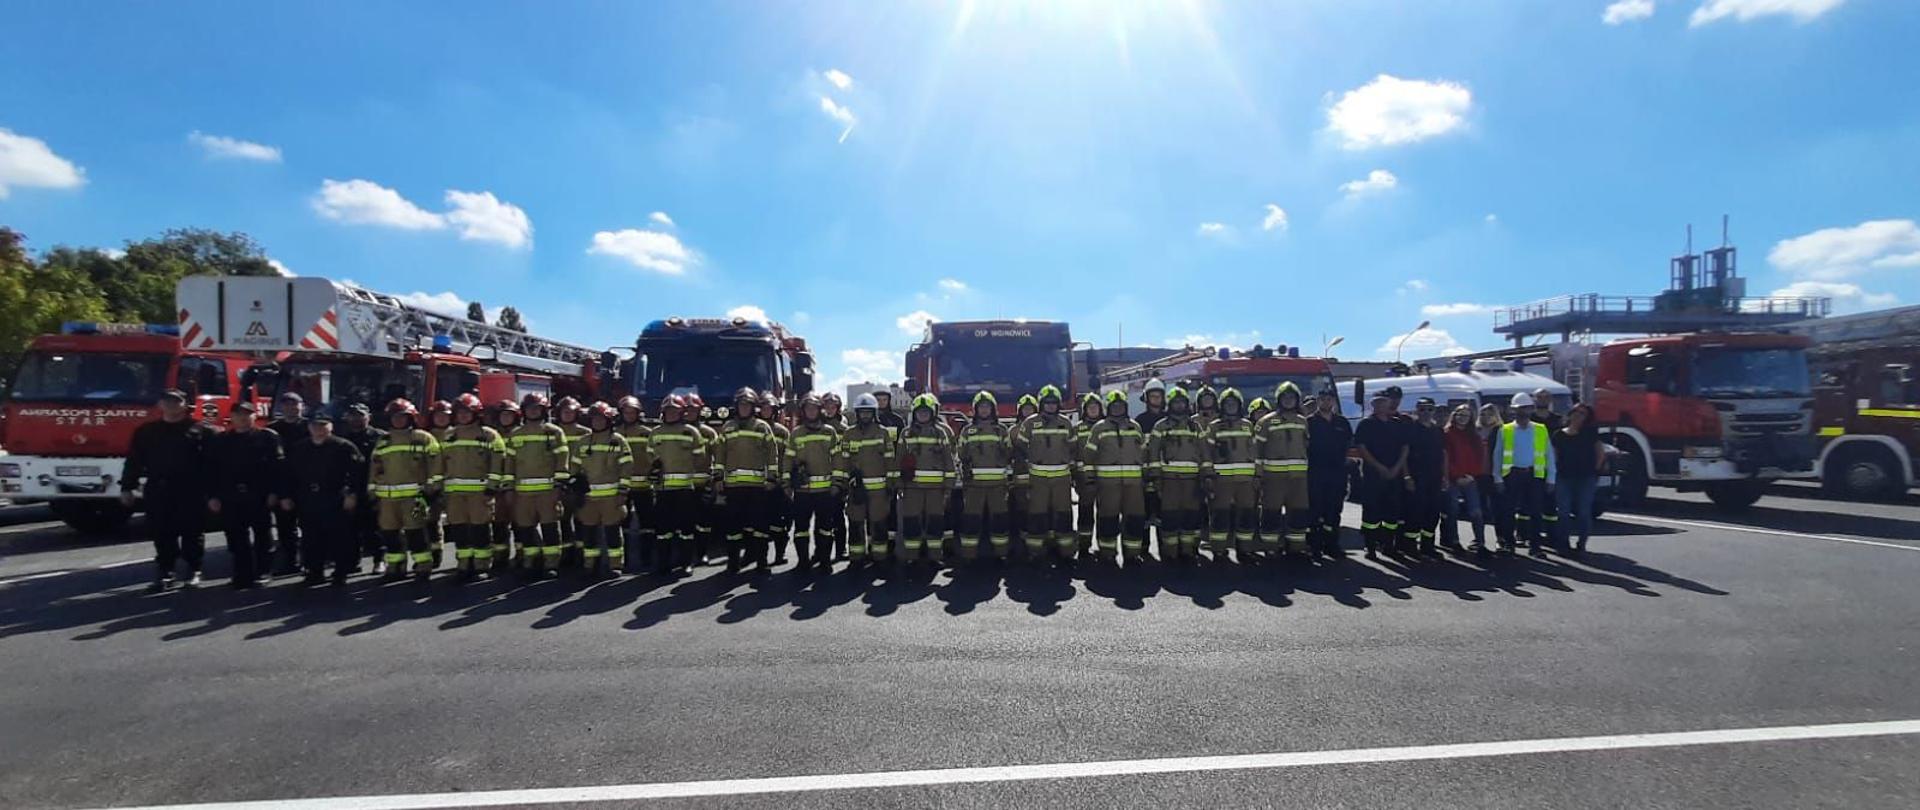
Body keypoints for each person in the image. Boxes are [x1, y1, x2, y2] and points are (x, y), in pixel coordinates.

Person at [121, 389, 212, 592]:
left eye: (176, 401)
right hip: (159, 488)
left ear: (185, 404)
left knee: (192, 531)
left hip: (191, 489)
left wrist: (214, 492)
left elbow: (214, 464)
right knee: (161, 532)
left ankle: (193, 570)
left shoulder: (201, 430)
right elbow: (134, 461)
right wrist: (127, 487)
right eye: (167, 401)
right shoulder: (146, 431)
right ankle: (165, 572)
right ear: (160, 404)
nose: (171, 405)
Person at [281, 409, 367, 587]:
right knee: (311, 537)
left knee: (339, 537)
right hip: (308, 499)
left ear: (331, 426)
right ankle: (314, 571)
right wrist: (286, 496)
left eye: (323, 425)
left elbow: (357, 474)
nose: (318, 429)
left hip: (335, 498)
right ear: (309, 426)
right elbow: (288, 475)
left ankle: (340, 572)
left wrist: (352, 495)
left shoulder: (344, 446)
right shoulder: (300, 448)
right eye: (314, 425)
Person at [206, 401, 282, 589]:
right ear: (231, 417)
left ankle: (263, 572)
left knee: (263, 536)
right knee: (235, 537)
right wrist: (212, 496)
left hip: (259, 494)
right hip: (230, 495)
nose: (243, 417)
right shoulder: (221, 440)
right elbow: (210, 470)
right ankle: (242, 574)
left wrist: (275, 491)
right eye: (238, 414)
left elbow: (278, 468)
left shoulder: (267, 437)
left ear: (254, 416)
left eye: (247, 414)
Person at [370, 399, 441, 581]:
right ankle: (395, 566)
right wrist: (372, 493)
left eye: (403, 417)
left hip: (414, 497)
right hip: (387, 498)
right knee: (390, 533)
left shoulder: (423, 438)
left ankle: (423, 566)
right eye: (395, 417)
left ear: (411, 418)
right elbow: (375, 468)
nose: (399, 421)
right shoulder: (383, 441)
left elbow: (436, 466)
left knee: (415, 533)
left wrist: (431, 491)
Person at [438, 394, 507, 581]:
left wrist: (492, 487)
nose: (463, 416)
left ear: (476, 414)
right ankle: (463, 564)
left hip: (480, 493)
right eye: (460, 413)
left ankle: (481, 566)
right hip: (454, 494)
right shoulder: (449, 435)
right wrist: (439, 488)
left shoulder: (489, 435)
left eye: (467, 413)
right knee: (459, 530)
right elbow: (440, 464)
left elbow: (497, 462)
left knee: (480, 530)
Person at [716, 387, 779, 573]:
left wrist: (771, 478)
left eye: (748, 405)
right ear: (737, 406)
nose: (744, 408)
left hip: (757, 487)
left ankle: (761, 562)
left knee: (760, 526)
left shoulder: (762, 427)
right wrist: (718, 477)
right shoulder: (728, 427)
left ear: (753, 407)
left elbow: (772, 454)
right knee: (733, 528)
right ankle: (733, 562)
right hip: (733, 487)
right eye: (741, 405)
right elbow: (720, 454)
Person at [506, 393, 570, 576]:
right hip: (522, 493)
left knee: (550, 528)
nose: (533, 411)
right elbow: (509, 464)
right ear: (524, 411)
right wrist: (509, 488)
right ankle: (531, 562)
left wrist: (559, 486)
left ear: (543, 410)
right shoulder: (516, 434)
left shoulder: (554, 432)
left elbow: (562, 460)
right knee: (525, 529)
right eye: (530, 408)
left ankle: (551, 564)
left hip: (547, 492)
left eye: (537, 408)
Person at [1013, 385, 1076, 563]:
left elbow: (1073, 448)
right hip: (1038, 478)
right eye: (1047, 403)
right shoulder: (1030, 423)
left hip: (1061, 478)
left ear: (1058, 405)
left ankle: (1065, 551)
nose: (1050, 406)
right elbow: (1021, 449)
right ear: (1041, 404)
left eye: (1053, 403)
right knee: (1037, 514)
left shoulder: (1066, 423)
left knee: (1063, 514)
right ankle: (1035, 551)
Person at [570, 402, 632, 577]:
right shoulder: (582, 442)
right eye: (594, 419)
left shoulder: (618, 441)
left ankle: (615, 566)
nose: (597, 422)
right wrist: (576, 487)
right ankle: (590, 565)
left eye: (601, 419)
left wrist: (623, 491)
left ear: (609, 421)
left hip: (611, 498)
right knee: (589, 533)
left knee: (612, 533)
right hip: (588, 498)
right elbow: (574, 467)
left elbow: (627, 468)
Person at [648, 395, 709, 574]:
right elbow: (649, 454)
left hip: (685, 489)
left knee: (686, 529)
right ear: (663, 412)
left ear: (681, 412)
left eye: (675, 411)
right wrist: (655, 467)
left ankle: (686, 563)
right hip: (662, 489)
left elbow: (700, 456)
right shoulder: (656, 433)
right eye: (668, 411)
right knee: (663, 529)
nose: (671, 414)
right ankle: (663, 564)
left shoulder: (691, 432)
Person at [1086, 390, 1148, 563]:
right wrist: (1090, 479)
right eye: (1114, 406)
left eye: (1121, 406)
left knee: (1134, 519)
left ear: (1125, 407)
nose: (1118, 409)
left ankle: (1132, 554)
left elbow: (1144, 453)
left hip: (1134, 485)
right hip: (1108, 485)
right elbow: (1089, 455)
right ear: (1109, 408)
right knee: (1108, 519)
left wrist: (1147, 477)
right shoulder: (1099, 428)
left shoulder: (1135, 427)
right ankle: (1108, 553)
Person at [1492, 392, 1556, 557]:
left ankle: (1535, 547)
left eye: (1526, 408)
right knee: (1509, 511)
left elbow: (1549, 455)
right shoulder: (1505, 430)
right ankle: (1509, 544)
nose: (1523, 412)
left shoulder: (1541, 429)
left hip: (1534, 475)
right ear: (1514, 410)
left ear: (1531, 410)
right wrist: (1497, 478)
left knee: (1535, 512)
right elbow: (1497, 455)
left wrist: (1551, 478)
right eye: (1520, 409)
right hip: (1512, 474)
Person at [1146, 387, 1206, 563]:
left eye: (1182, 402)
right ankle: (1170, 552)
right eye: (1176, 402)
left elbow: (1204, 454)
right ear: (1170, 405)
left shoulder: (1195, 427)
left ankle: (1188, 551)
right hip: (1169, 481)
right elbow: (1154, 454)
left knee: (1191, 517)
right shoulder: (1161, 426)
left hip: (1192, 481)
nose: (1179, 405)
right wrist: (1156, 478)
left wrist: (1207, 476)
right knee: (1169, 518)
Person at [896, 393, 956, 568]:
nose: (922, 415)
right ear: (914, 413)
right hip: (912, 487)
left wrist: (949, 486)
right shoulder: (906, 433)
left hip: (935, 488)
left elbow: (948, 459)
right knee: (911, 521)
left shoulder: (940, 432)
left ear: (933, 413)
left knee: (935, 522)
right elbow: (898, 459)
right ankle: (912, 556)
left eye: (926, 412)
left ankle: (935, 556)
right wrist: (899, 484)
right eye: (919, 412)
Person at [1254, 382, 1313, 559]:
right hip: (1274, 477)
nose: (1289, 400)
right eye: (1285, 397)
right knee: (1271, 512)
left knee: (1298, 512)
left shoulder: (1303, 421)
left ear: (1297, 400)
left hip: (1298, 478)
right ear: (1279, 400)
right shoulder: (1266, 421)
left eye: (1292, 397)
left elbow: (1306, 446)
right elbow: (1257, 451)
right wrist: (1258, 474)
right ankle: (1271, 547)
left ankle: (1296, 546)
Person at [787, 395, 845, 571]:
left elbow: (837, 460)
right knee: (801, 529)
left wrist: (837, 484)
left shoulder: (829, 432)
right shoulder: (796, 433)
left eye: (814, 408)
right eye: (808, 409)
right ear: (803, 411)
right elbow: (788, 460)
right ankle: (803, 561)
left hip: (825, 491)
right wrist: (786, 483)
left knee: (825, 529)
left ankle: (824, 561)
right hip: (802, 492)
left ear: (819, 411)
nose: (811, 412)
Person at [954, 391, 1012, 563]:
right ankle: (969, 555)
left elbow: (1009, 453)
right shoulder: (967, 431)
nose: (984, 410)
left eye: (987, 407)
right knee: (971, 519)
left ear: (993, 409)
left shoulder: (1001, 430)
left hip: (997, 484)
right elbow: (961, 456)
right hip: (974, 485)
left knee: (999, 519)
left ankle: (1001, 553)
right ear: (975, 410)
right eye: (981, 407)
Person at [841, 393, 896, 566]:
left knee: (879, 524)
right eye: (862, 412)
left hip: (879, 491)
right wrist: (845, 483)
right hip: (856, 489)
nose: (865, 416)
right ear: (857, 414)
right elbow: (843, 461)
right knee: (856, 524)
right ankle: (856, 558)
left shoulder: (883, 433)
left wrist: (891, 485)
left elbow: (890, 461)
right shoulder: (849, 434)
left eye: (868, 412)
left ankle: (879, 557)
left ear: (874, 413)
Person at [1205, 388, 1259, 563]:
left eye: (1234, 403)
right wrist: (1209, 476)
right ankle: (1219, 550)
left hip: (1245, 481)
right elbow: (1207, 454)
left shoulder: (1247, 425)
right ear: (1222, 406)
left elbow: (1255, 452)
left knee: (1246, 515)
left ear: (1239, 405)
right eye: (1227, 403)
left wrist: (1257, 476)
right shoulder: (1214, 427)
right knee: (1220, 516)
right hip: (1222, 480)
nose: (1231, 406)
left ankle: (1245, 550)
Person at [1353, 391, 1408, 558]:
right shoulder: (1366, 424)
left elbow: (1405, 448)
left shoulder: (1397, 424)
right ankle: (1370, 546)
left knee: (1392, 513)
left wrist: (1396, 468)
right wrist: (1380, 467)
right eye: (1377, 402)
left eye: (1384, 402)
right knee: (1371, 513)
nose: (1381, 405)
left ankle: (1388, 545)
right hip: (1373, 476)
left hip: (1394, 475)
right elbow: (1362, 449)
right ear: (1373, 405)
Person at [334, 403, 386, 574]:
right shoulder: (342, 437)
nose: (356, 419)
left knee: (376, 528)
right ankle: (353, 561)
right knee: (350, 528)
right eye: (353, 415)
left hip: (374, 488)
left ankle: (380, 560)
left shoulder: (381, 437)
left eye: (360, 415)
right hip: (351, 489)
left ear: (368, 417)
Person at [1305, 388, 1353, 559]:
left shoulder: (1342, 422)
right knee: (1315, 511)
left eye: (1329, 399)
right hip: (1316, 473)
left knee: (1333, 511)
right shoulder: (1309, 422)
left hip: (1337, 474)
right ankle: (1314, 545)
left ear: (1333, 401)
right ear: (1318, 401)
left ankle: (1332, 544)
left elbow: (1349, 445)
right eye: (1323, 399)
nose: (1326, 402)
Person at [264, 391, 308, 575]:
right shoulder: (271, 430)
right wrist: (275, 491)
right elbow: (267, 464)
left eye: (295, 404)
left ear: (302, 406)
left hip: (307, 484)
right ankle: (290, 563)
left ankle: (311, 562)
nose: (291, 407)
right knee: (285, 527)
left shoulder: (311, 426)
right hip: (282, 484)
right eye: (287, 404)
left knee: (311, 527)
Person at [1553, 403, 1605, 556]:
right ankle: (1564, 544)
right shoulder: (1558, 435)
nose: (1578, 415)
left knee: (1583, 512)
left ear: (1587, 417)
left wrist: (1595, 470)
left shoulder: (1591, 433)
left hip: (1586, 478)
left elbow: (1600, 453)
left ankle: (1581, 544)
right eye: (1576, 412)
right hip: (1563, 477)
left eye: (1582, 413)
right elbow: (1554, 457)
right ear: (1569, 414)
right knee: (1563, 511)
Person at [1402, 397, 1448, 556]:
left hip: (1434, 478)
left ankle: (1428, 546)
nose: (1426, 412)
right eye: (1422, 409)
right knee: (1415, 512)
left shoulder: (1438, 431)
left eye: (1429, 409)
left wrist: (1445, 477)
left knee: (1433, 512)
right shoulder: (1411, 429)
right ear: (1416, 411)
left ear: (1434, 411)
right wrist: (1407, 477)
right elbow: (1404, 454)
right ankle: (1410, 546)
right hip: (1416, 477)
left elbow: (1442, 455)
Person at [615, 396, 656, 574]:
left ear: (638, 414)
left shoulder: (647, 433)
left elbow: (655, 457)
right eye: (626, 412)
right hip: (622, 487)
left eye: (632, 412)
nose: (629, 415)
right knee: (623, 523)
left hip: (644, 486)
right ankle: (624, 559)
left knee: (647, 524)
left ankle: (647, 558)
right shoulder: (615, 433)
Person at [1440, 404, 1488, 554]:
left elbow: (1480, 457)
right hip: (1452, 479)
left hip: (1470, 478)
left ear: (1470, 418)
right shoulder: (1447, 434)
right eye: (1460, 414)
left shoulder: (1474, 435)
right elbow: (1445, 458)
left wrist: (1472, 475)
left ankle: (1480, 543)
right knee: (1452, 510)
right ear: (1454, 415)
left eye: (1466, 415)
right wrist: (1455, 476)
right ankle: (1454, 541)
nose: (1462, 418)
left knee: (1476, 511)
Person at [553, 397, 592, 567]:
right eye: (564, 412)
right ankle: (566, 553)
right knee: (562, 519)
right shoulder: (552, 432)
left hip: (579, 482)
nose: (567, 415)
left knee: (581, 518)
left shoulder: (585, 433)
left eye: (571, 412)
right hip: (559, 481)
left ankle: (581, 553)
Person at [759, 392, 795, 565]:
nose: (766, 411)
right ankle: (758, 557)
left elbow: (787, 457)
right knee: (758, 524)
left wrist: (785, 482)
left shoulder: (782, 432)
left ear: (774, 411)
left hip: (778, 484)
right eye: (763, 408)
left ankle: (779, 554)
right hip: (758, 483)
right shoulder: (754, 429)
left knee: (779, 523)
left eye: (769, 408)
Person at [486, 400, 522, 572]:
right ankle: (500, 557)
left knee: (521, 522)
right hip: (498, 488)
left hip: (518, 488)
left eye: (509, 414)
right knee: (499, 524)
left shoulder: (521, 434)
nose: (506, 418)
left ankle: (523, 555)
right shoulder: (492, 436)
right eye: (503, 414)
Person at [1071, 393, 1105, 556]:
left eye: (1095, 407)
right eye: (1090, 407)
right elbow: (1073, 453)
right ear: (1085, 410)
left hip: (1106, 478)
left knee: (1105, 512)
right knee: (1085, 512)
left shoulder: (1108, 426)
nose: (1093, 410)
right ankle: (1084, 544)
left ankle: (1103, 544)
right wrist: (1075, 477)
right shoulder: (1077, 428)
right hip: (1084, 479)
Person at [1008, 394, 1040, 558]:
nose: (1028, 412)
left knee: (1037, 511)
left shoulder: (1042, 428)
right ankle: (1019, 543)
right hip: (1020, 477)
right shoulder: (1013, 431)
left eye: (1031, 409)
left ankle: (1035, 546)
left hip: (1039, 477)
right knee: (1019, 511)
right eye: (1025, 409)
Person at [1478, 403, 1513, 552]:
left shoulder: (1502, 431)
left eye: (1490, 414)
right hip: (1479, 475)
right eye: (1483, 414)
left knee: (1499, 509)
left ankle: (1503, 540)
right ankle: (1479, 541)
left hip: (1496, 475)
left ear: (1496, 415)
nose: (1486, 417)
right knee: (1479, 510)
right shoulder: (1475, 431)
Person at [424, 400, 455, 563]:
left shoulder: (458, 434)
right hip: (431, 487)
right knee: (429, 520)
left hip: (455, 486)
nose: (442, 419)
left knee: (463, 522)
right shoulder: (425, 436)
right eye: (438, 415)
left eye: (445, 416)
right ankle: (435, 552)